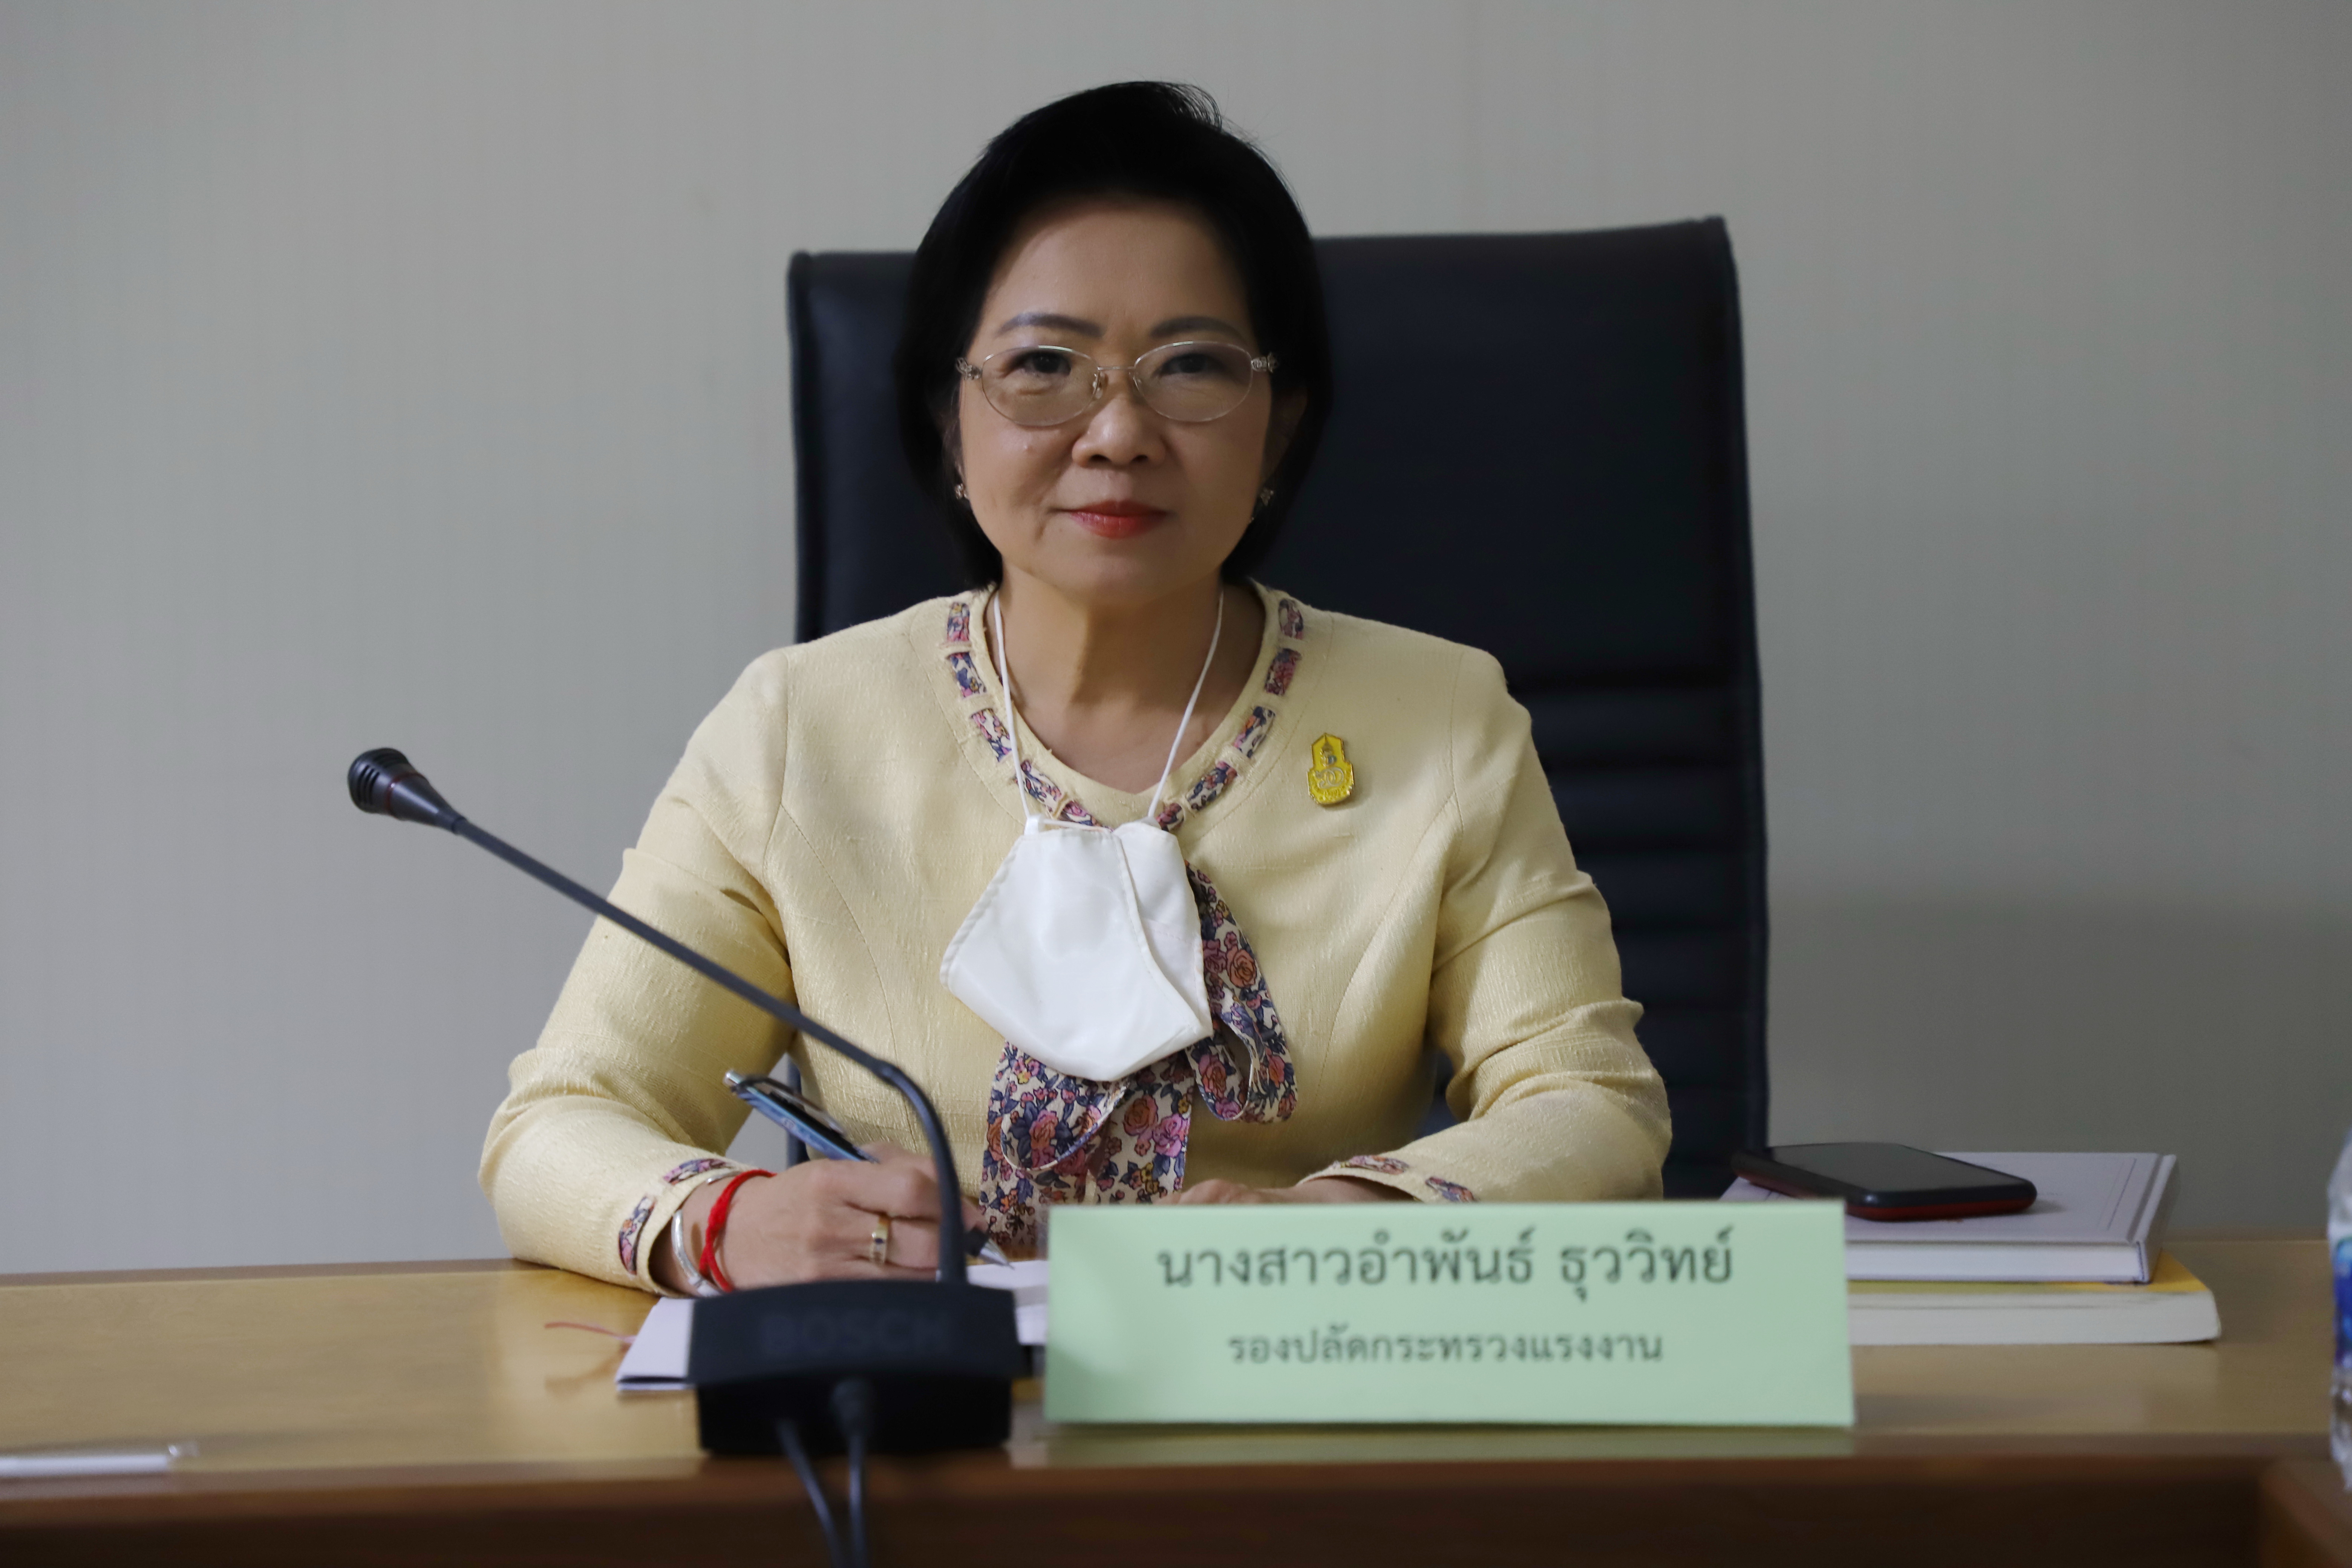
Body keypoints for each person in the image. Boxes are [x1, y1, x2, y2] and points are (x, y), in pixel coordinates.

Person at [482, 82, 1670, 1297]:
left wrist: (1337, 1223)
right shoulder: (796, 729)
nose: (1117, 434)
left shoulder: (1443, 719)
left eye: (1190, 367)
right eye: (1044, 365)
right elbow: (560, 1124)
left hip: (1282, 1364)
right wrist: (727, 1223)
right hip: (924, 1388)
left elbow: (1589, 1100)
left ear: (1279, 425)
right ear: (950, 420)